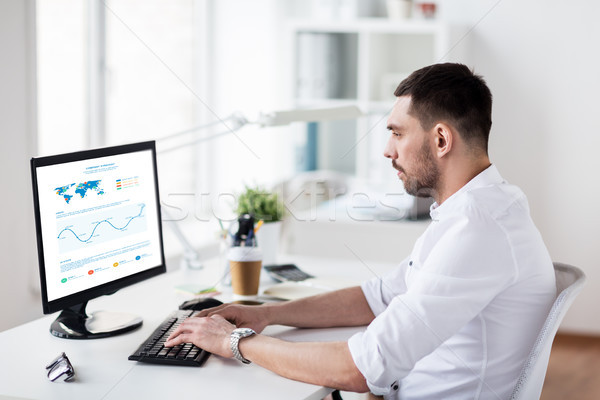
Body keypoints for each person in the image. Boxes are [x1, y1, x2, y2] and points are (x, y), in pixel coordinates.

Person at [165, 63, 556, 399]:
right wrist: (267, 315)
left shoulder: (479, 228)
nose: (388, 150)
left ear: (440, 139)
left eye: (397, 133)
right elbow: (380, 297)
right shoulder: (475, 209)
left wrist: (234, 343)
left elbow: (361, 368)